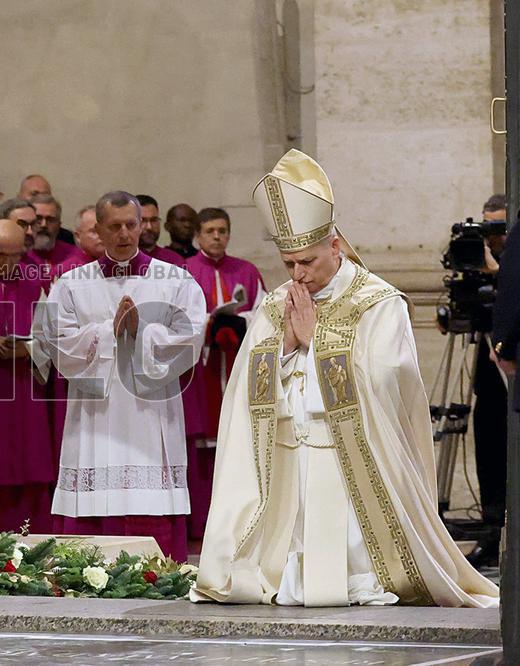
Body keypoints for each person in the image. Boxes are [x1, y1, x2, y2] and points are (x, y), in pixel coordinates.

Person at [191, 149, 498, 608]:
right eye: (289, 262)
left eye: (308, 261)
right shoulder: (277, 304)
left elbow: (389, 380)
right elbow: (245, 393)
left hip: (351, 455)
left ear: (335, 246)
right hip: (290, 456)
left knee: (355, 567)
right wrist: (288, 349)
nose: (298, 274)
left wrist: (318, 343)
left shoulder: (378, 303)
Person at [36, 191, 206, 561]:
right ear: (97, 230)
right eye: (115, 227)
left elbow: (192, 336)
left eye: (133, 224)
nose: (126, 234)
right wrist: (107, 332)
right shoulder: (71, 283)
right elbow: (56, 342)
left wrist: (142, 330)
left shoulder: (175, 279)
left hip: (151, 411)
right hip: (96, 413)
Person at [182, 207, 265, 541]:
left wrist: (239, 322)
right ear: (198, 236)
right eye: (210, 231)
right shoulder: (185, 271)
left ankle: (237, 523)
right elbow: (177, 318)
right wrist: (208, 323)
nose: (217, 237)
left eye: (222, 231)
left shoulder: (246, 270)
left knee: (236, 443)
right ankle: (201, 523)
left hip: (235, 366)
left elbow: (264, 315)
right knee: (203, 449)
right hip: (200, 373)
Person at [0, 220, 54, 533]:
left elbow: (50, 337)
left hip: (23, 389)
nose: (9, 264)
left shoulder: (31, 283)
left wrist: (27, 350)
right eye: (1, 255)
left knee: (29, 460)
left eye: (15, 256)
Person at [466, 195, 508, 567]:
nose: (494, 237)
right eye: (488, 227)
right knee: (489, 453)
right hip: (488, 381)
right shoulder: (478, 268)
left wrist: (501, 273)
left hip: (512, 373)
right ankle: (491, 532)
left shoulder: (509, 266)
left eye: (500, 227)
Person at [19, 174, 74, 244]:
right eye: (34, 194)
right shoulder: (9, 230)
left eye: (45, 195)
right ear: (19, 197)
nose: (40, 198)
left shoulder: (65, 238)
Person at [30, 193, 79, 270]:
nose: (44, 225)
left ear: (59, 224)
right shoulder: (16, 255)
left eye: (50, 220)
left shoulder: (75, 256)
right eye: (38, 218)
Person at [135, 194, 188, 266]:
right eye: (143, 220)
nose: (149, 227)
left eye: (154, 220)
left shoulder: (174, 261)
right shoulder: (121, 260)